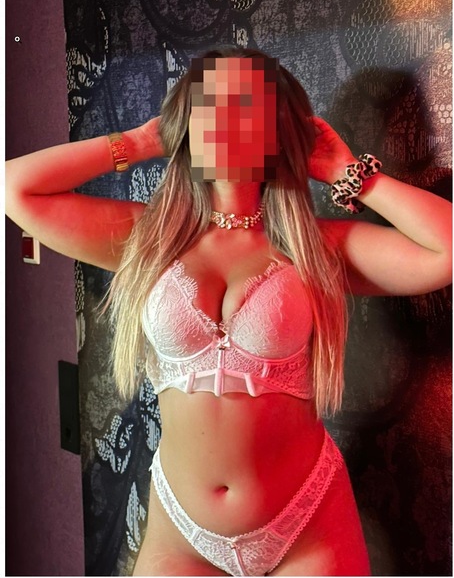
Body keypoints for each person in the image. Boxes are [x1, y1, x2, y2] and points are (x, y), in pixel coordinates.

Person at [6, 46, 451, 577]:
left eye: (246, 105)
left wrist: (345, 170)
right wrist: (141, 142)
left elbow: (445, 251)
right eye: (208, 104)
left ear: (277, 129)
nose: (225, 119)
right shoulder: (147, 239)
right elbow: (16, 189)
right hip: (181, 534)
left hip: (306, 523)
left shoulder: (315, 248)